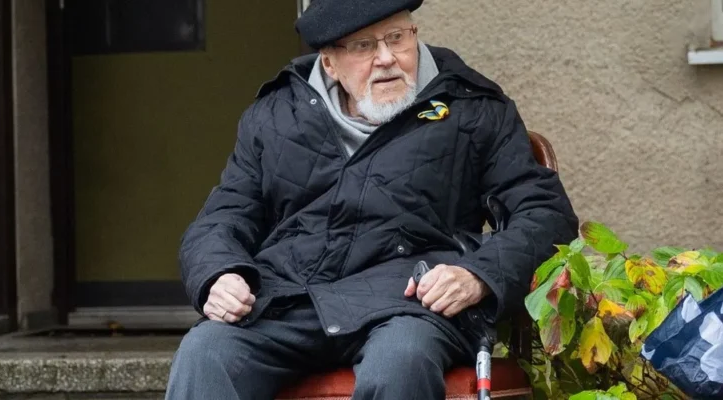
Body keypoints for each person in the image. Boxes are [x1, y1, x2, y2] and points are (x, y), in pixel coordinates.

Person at [165, 1, 578, 399]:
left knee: (399, 361)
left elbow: (546, 215)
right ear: (329, 63)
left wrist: (476, 275)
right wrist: (219, 274)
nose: (386, 58)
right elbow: (222, 218)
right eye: (364, 46)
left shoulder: (472, 109)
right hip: (291, 300)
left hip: (407, 304)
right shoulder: (276, 114)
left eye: (397, 37)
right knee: (207, 352)